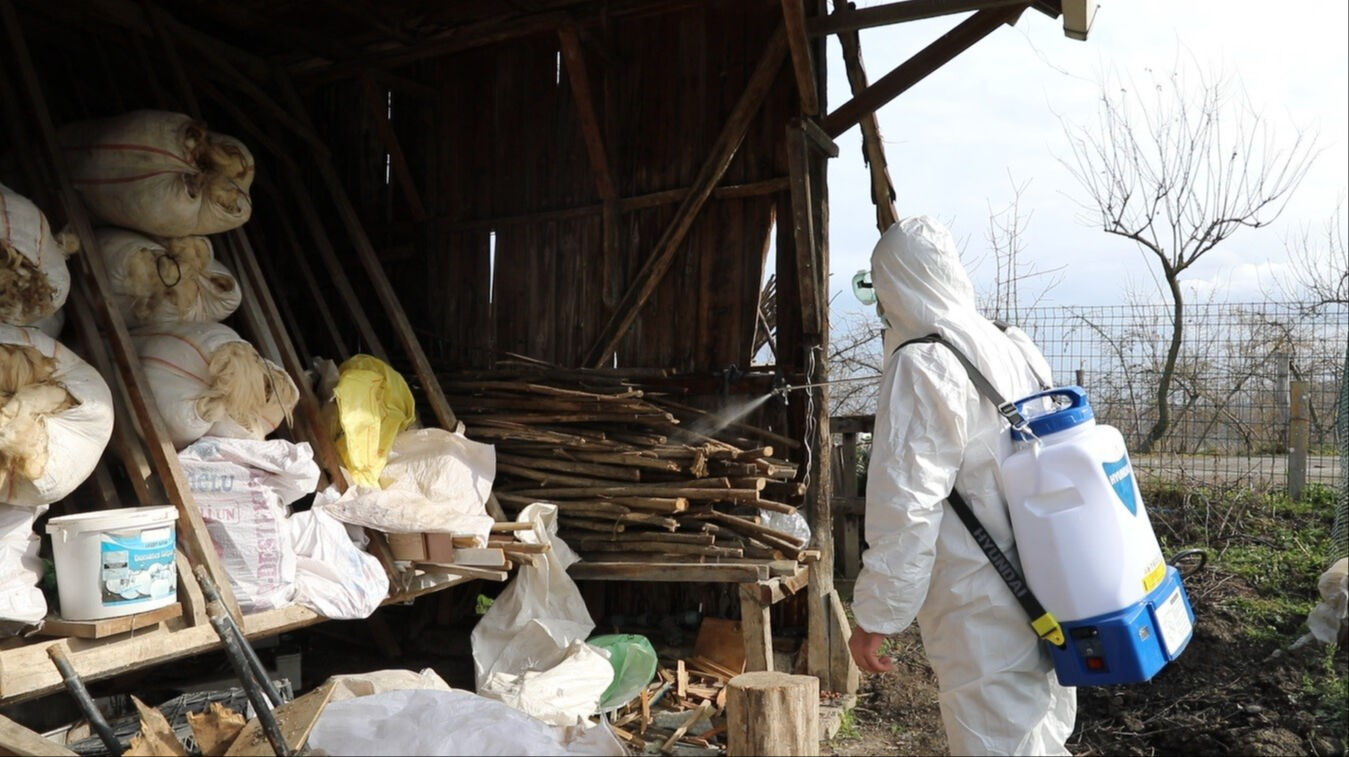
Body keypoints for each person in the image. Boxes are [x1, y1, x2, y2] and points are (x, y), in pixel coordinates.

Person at [848, 216, 1077, 755]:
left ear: (894, 284)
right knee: (1042, 732)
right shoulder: (1007, 344)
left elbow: (907, 505)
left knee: (997, 742)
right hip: (1048, 577)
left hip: (980, 599)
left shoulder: (924, 361)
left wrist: (878, 616)